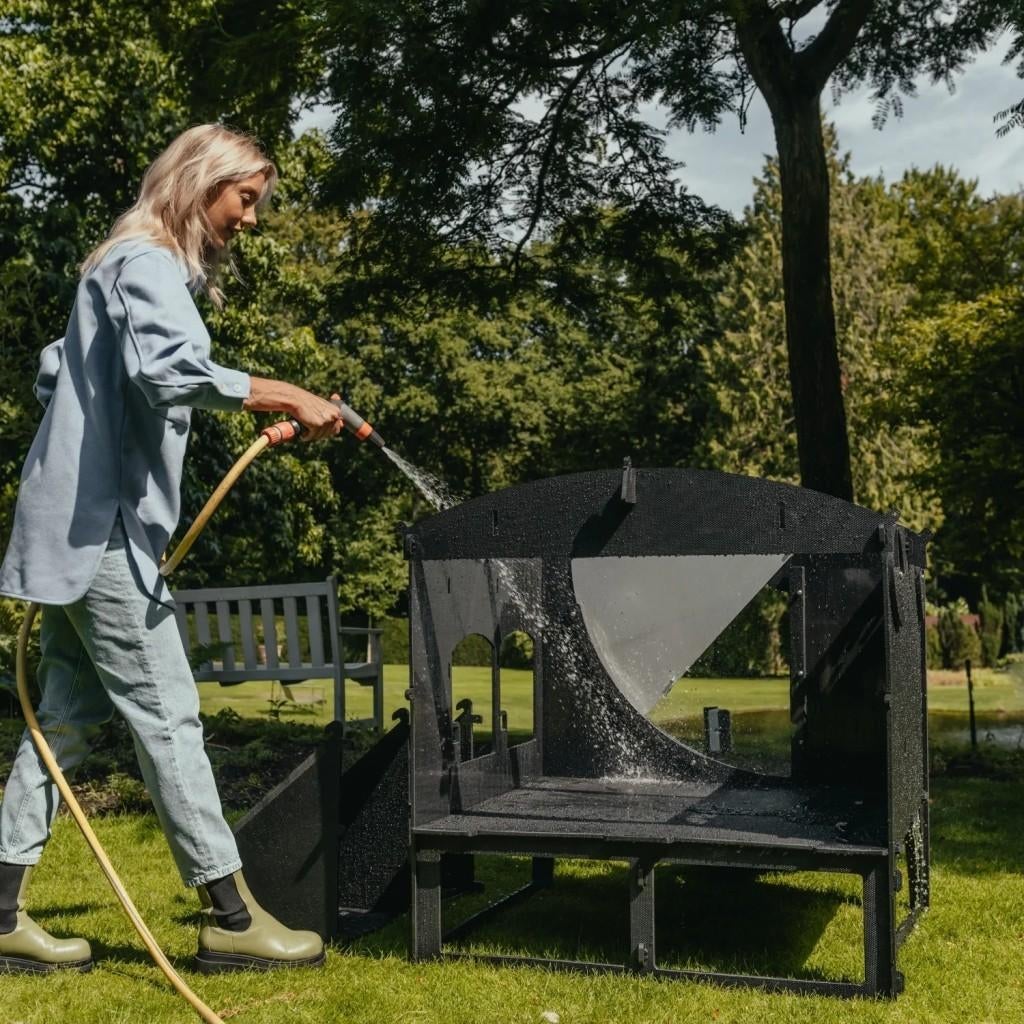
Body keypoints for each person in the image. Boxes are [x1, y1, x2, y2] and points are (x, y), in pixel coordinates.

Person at [0, 124, 342, 975]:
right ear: (201, 183)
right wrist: (285, 393)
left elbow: (55, 371)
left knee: (62, 725)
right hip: (104, 536)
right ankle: (231, 917)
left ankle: (0, 915)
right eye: (245, 199)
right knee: (171, 720)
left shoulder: (115, 266)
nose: (250, 219)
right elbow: (169, 372)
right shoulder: (146, 263)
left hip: (82, 534)